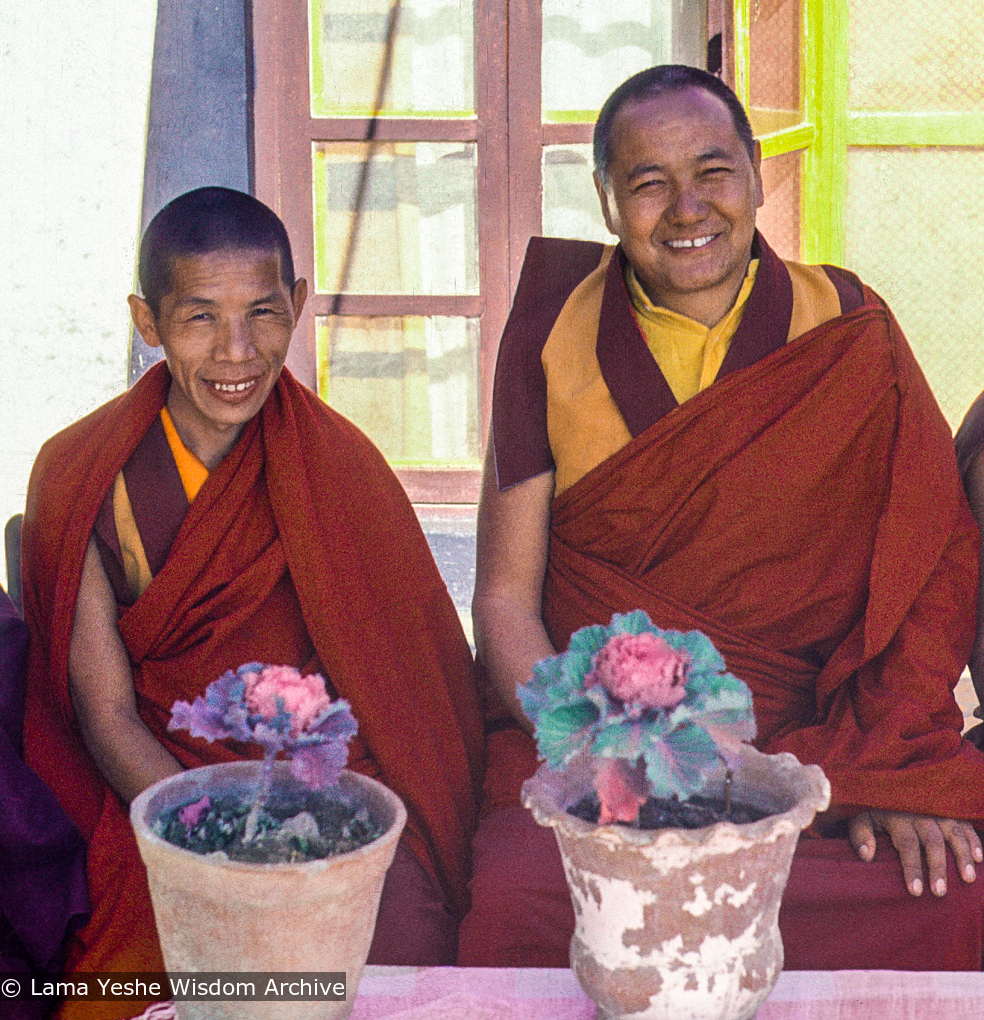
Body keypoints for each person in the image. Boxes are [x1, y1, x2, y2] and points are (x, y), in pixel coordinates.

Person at [459, 65, 984, 971]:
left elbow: (932, 562)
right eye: (648, 182)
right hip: (609, 743)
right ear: (608, 200)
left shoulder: (848, 327)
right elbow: (505, 599)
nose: (687, 208)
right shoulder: (552, 336)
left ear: (755, 174)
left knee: (949, 897)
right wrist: (596, 755)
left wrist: (889, 763)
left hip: (815, 743)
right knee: (518, 890)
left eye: (714, 172)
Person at [21, 187, 483, 1018]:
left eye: (263, 313)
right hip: (162, 792)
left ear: (299, 307)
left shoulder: (339, 469)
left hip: (324, 786)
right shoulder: (81, 474)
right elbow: (105, 715)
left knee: (394, 948)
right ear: (147, 321)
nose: (237, 352)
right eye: (200, 317)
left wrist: (310, 824)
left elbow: (408, 696)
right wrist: (219, 838)